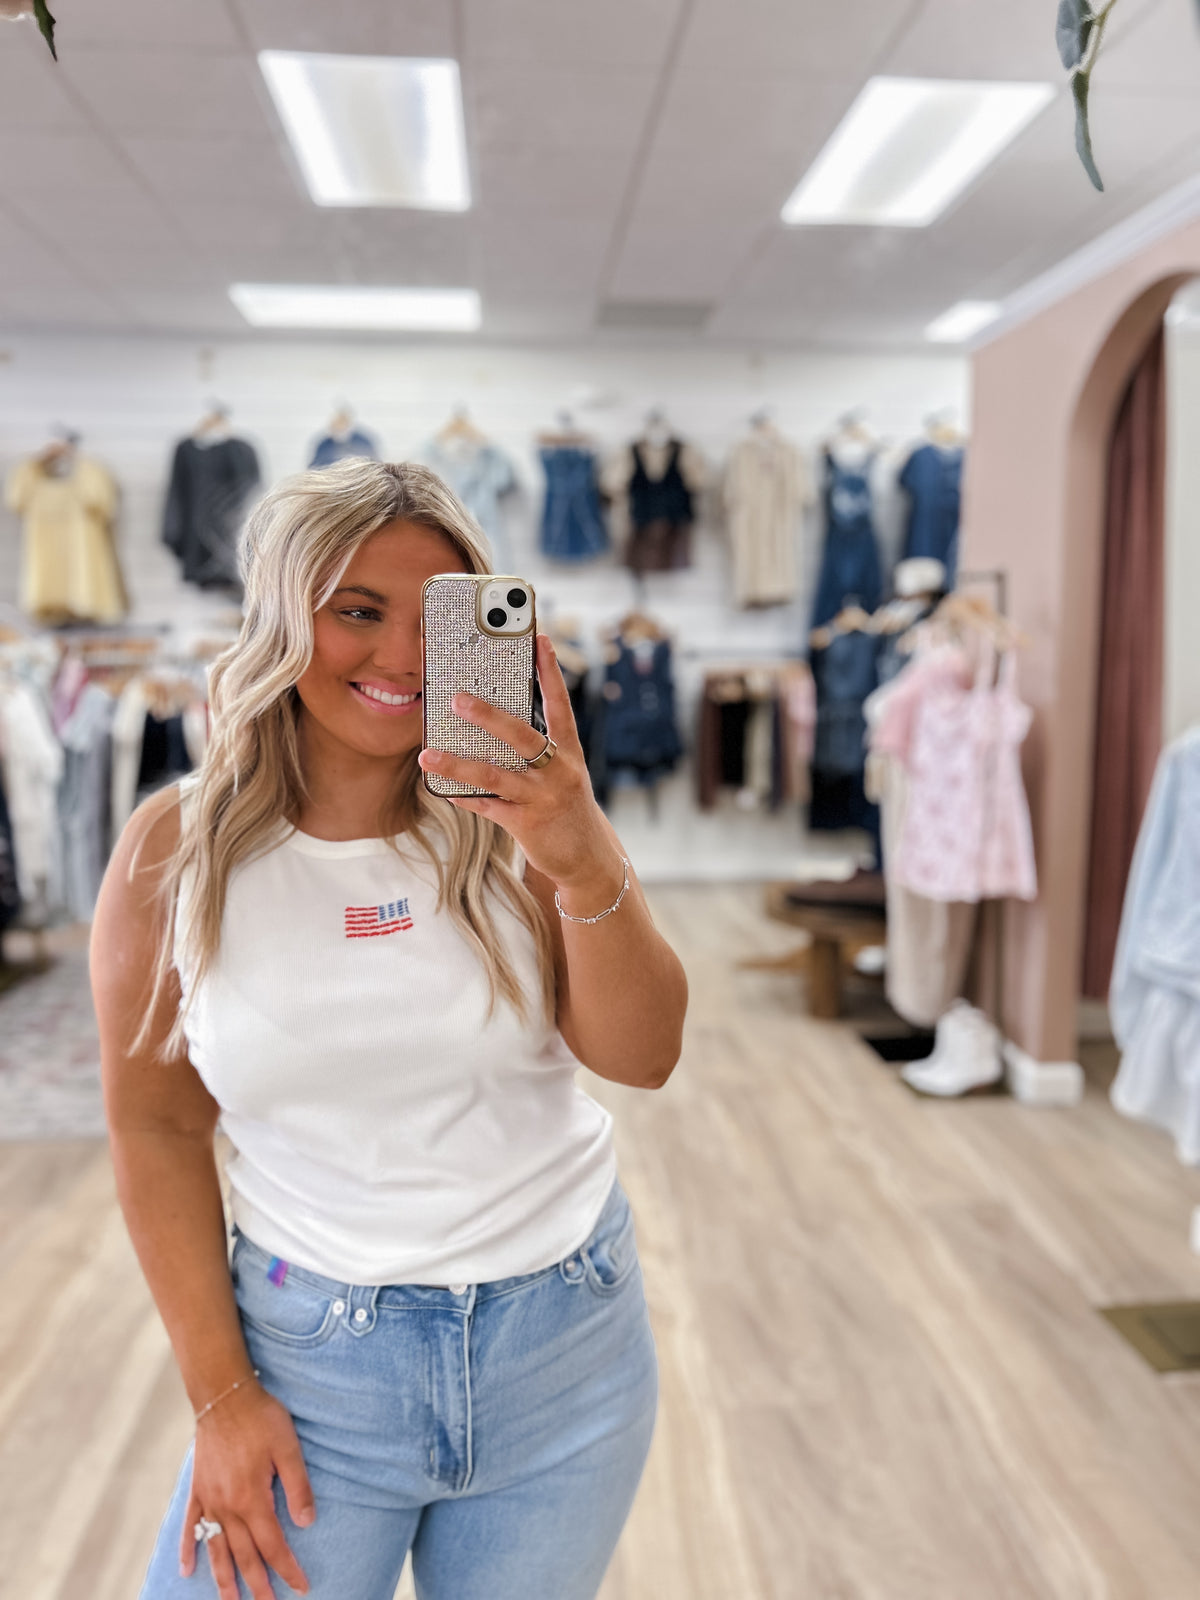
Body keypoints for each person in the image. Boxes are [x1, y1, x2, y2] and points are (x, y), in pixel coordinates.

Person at [90, 459, 687, 1600]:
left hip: (565, 1348)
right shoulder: (176, 852)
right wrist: (219, 1396)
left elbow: (644, 1055)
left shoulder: (524, 823)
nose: (406, 657)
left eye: (441, 618)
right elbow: (157, 1126)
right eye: (356, 611)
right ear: (278, 618)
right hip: (312, 1369)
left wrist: (580, 849)